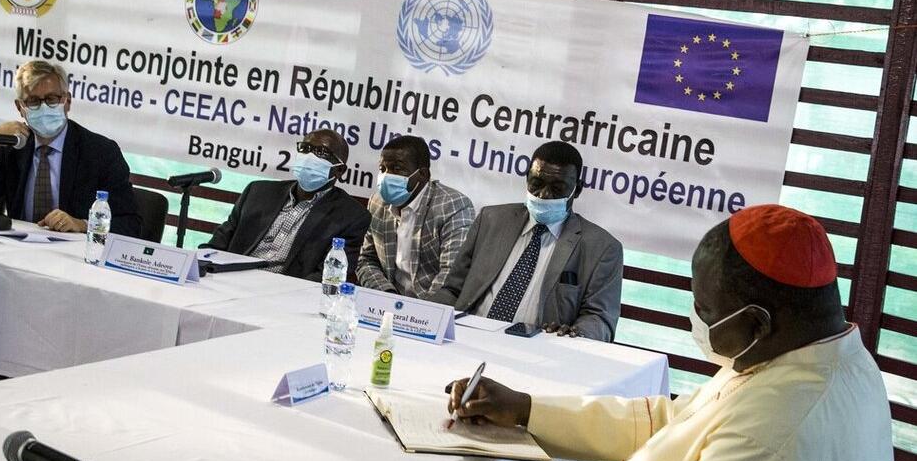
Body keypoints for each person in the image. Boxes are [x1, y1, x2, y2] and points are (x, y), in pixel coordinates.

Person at [445, 204, 895, 461]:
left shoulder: (774, 440)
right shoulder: (820, 358)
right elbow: (670, 423)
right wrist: (525, 409)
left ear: (757, 323)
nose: (695, 320)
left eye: (705, 309)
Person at [428, 141, 622, 341]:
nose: (544, 195)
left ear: (577, 190)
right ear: (527, 178)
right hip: (468, 336)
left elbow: (600, 319)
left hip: (537, 348)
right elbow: (453, 289)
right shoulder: (490, 219)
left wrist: (576, 334)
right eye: (536, 184)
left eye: (557, 188)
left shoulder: (602, 248)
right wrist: (424, 316)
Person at [0, 60, 142, 238]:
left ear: (67, 101)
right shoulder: (11, 147)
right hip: (17, 246)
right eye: (33, 101)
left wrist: (83, 224)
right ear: (20, 107)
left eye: (51, 99)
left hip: (74, 252)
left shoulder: (101, 152)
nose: (44, 107)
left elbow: (130, 223)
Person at [201, 129, 370, 280]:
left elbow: (328, 276)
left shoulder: (351, 217)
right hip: (229, 281)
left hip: (284, 293)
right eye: (305, 148)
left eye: (321, 152)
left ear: (340, 170)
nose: (309, 156)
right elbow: (216, 245)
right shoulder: (258, 192)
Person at [356, 135, 474, 298]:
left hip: (431, 304)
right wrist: (387, 296)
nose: (387, 176)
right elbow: (366, 260)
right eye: (383, 169)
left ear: (423, 174)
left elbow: (451, 275)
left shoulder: (452, 206)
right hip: (388, 301)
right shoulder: (377, 202)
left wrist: (417, 310)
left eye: (397, 168)